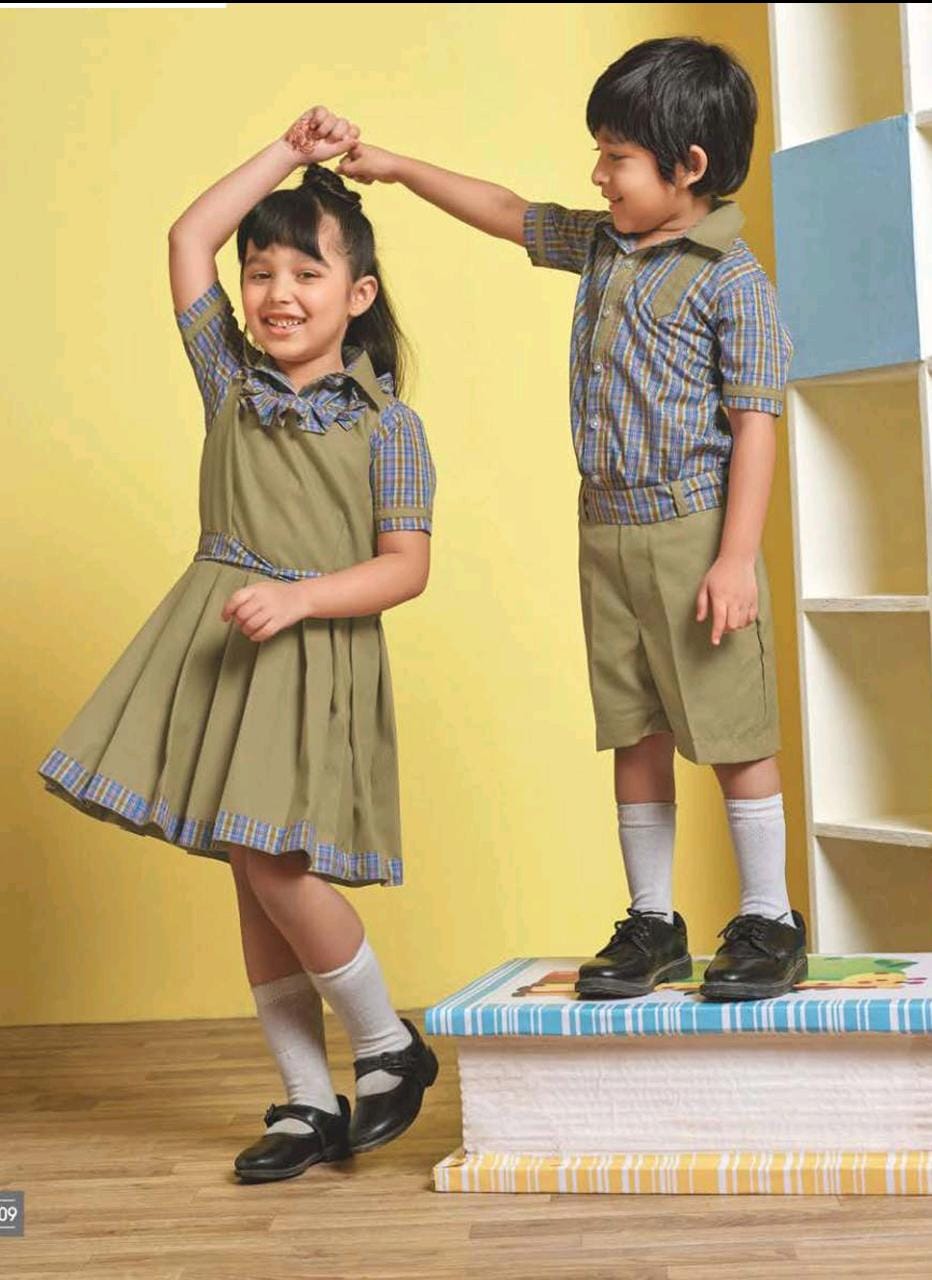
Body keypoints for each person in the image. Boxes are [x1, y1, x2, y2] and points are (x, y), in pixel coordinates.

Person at [336, 36, 808, 1001]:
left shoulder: (732, 279)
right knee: (633, 727)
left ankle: (770, 918)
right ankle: (652, 920)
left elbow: (756, 424)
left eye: (616, 157)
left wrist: (735, 559)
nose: (598, 174)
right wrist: (395, 167)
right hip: (606, 531)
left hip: (694, 533)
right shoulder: (601, 243)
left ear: (689, 167)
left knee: (731, 730)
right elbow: (507, 211)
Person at [36, 106, 439, 1181]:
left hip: (306, 659)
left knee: (275, 863)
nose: (276, 293)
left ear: (357, 296)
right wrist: (287, 155)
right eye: (259, 272)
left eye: (305, 272)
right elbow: (187, 237)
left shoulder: (386, 425)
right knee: (250, 873)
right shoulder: (230, 382)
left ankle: (387, 1043)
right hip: (221, 652)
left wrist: (301, 601)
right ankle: (307, 1101)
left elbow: (405, 566)